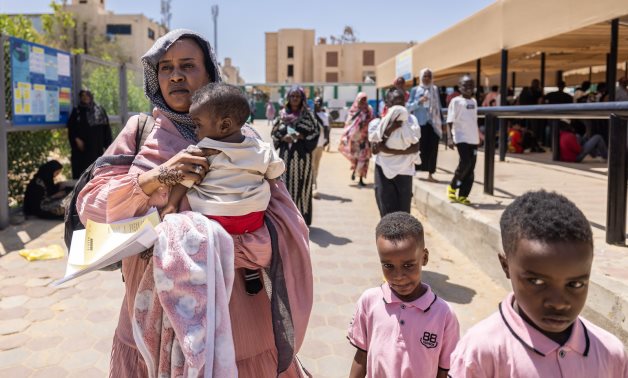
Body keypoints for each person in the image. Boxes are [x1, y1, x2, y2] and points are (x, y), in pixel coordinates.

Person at [76, 29, 312, 377]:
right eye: (165, 67)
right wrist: (159, 177)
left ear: (209, 74)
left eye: (188, 65)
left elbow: (287, 230)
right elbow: (92, 208)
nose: (175, 75)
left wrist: (210, 247)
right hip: (150, 321)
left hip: (238, 326)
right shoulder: (140, 132)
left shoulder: (246, 140)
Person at [449, 190, 628, 377]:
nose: (559, 303)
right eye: (537, 281)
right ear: (506, 266)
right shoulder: (480, 352)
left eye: (575, 285)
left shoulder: (611, 353)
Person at [155, 82, 285, 296]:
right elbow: (274, 174)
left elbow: (184, 181)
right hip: (251, 218)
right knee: (252, 243)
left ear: (224, 125)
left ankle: (206, 277)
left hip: (213, 219)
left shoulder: (203, 152)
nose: (195, 131)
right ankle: (252, 269)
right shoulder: (261, 149)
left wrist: (170, 205)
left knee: (191, 235)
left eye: (197, 124)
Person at [348, 212, 460, 378]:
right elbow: (361, 356)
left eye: (408, 265)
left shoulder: (444, 315)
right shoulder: (369, 301)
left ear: (425, 257)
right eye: (388, 266)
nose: (398, 276)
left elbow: (444, 371)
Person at [271, 86, 320, 226]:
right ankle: (286, 219)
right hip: (286, 157)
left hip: (302, 158)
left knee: (302, 186)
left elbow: (316, 132)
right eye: (292, 96)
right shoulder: (281, 114)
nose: (294, 99)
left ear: (302, 98)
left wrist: (302, 136)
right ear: (288, 98)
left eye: (297, 96)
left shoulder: (308, 115)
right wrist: (282, 138)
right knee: (284, 186)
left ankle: (302, 219)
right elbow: (274, 132)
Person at [369, 89, 420, 217]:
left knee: (403, 215)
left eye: (401, 102)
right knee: (386, 214)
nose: (398, 106)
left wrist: (387, 150)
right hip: (383, 171)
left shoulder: (411, 120)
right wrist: (389, 130)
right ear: (387, 103)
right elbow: (375, 149)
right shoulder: (377, 123)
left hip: (405, 172)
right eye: (394, 102)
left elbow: (415, 148)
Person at [446, 75, 479, 206]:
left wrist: (479, 136)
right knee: (465, 163)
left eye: (471, 85)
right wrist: (449, 138)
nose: (468, 88)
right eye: (465, 85)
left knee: (471, 168)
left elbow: (473, 121)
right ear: (459, 87)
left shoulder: (474, 101)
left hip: (473, 139)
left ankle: (463, 195)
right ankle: (453, 186)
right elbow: (449, 121)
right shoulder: (456, 101)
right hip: (461, 137)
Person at [407, 68, 443, 182]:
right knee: (419, 147)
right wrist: (419, 102)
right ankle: (415, 170)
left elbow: (439, 106)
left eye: (429, 76)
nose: (427, 78)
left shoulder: (435, 89)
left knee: (433, 148)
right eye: (425, 76)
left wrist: (443, 121)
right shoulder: (415, 90)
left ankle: (430, 173)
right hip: (420, 123)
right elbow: (408, 107)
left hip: (433, 123)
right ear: (421, 77)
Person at [67, 89, 113, 179]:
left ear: (91, 96)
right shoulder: (77, 111)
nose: (85, 98)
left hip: (96, 148)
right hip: (81, 150)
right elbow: (71, 128)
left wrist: (108, 147)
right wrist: (76, 139)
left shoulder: (100, 110)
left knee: (96, 173)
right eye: (83, 96)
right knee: (81, 174)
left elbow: (106, 129)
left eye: (87, 95)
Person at [339, 92, 374, 187]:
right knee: (355, 158)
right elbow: (349, 123)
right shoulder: (353, 110)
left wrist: (366, 125)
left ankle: (361, 178)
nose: (363, 102)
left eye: (364, 100)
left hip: (365, 139)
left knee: (364, 159)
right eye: (361, 99)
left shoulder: (369, 110)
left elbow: (372, 122)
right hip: (354, 140)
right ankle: (354, 171)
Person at [312, 96, 330, 198]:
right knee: (310, 167)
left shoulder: (324, 116)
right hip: (310, 146)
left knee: (316, 166)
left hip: (319, 145)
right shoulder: (310, 114)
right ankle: (312, 186)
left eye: (318, 102)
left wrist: (327, 140)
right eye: (315, 102)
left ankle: (314, 185)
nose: (316, 103)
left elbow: (327, 129)